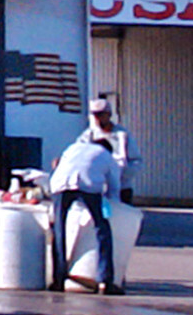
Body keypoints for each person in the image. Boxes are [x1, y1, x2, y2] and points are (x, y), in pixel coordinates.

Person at [49, 132, 123, 294]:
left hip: (60, 184)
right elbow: (114, 188)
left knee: (59, 229)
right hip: (89, 185)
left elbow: (58, 164)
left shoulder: (74, 147)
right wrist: (114, 208)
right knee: (102, 229)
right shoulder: (107, 156)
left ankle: (58, 280)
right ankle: (105, 280)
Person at [77, 96, 141, 204]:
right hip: (97, 187)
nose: (98, 118)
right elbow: (78, 154)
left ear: (109, 115)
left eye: (101, 114)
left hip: (122, 188)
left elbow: (136, 161)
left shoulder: (123, 135)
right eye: (95, 115)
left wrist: (120, 174)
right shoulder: (88, 135)